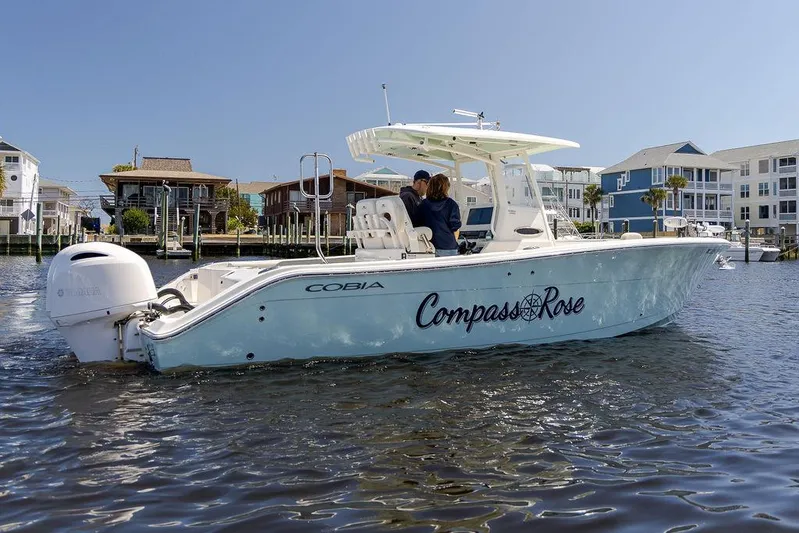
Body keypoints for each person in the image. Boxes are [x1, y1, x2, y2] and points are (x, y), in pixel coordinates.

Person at [420, 173, 461, 257]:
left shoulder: (423, 205)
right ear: (446, 187)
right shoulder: (451, 204)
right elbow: (455, 226)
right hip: (448, 246)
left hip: (428, 246)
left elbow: (418, 223)